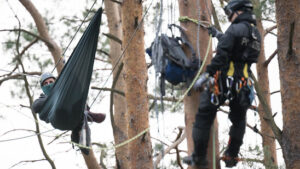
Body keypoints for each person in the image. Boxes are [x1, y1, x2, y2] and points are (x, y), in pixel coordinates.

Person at [183, 0, 261, 168]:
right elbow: (238, 49)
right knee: (239, 120)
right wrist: (218, 34)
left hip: (224, 83)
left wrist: (207, 74)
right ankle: (231, 155)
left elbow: (223, 55)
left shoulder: (235, 29)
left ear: (238, 11)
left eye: (230, 13)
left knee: (204, 116)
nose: (229, 17)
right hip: (244, 85)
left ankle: (199, 157)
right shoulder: (256, 34)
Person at [32, 72, 106, 154]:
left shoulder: (63, 93)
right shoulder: (41, 99)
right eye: (45, 83)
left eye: (51, 82)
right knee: (62, 106)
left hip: (72, 115)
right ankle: (86, 115)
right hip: (58, 119)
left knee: (76, 101)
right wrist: (53, 98)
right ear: (42, 88)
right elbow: (35, 106)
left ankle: (81, 127)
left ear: (56, 83)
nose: (48, 84)